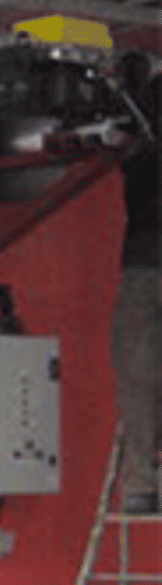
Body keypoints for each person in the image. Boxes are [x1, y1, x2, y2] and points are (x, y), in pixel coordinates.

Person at [111, 53, 161, 510]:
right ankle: (143, 483)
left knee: (138, 372)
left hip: (146, 260)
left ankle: (143, 484)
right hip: (145, 258)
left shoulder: (139, 112)